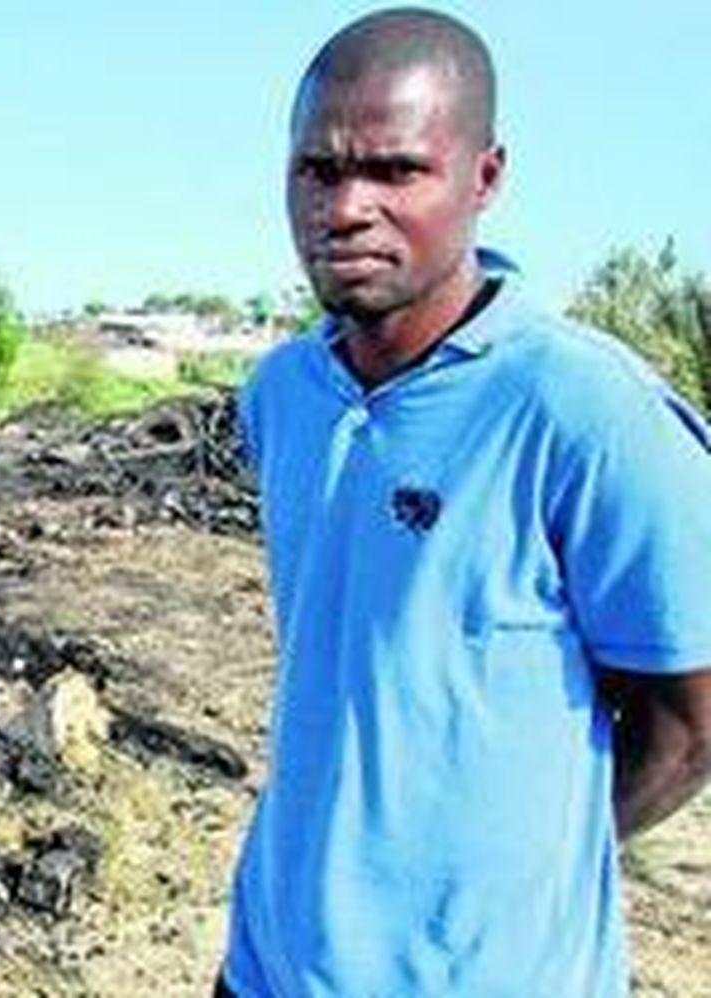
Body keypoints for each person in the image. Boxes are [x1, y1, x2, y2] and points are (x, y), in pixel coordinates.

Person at [217, 8, 711, 996]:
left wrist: (506, 878)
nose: (345, 207)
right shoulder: (283, 395)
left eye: (396, 171)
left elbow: (691, 721)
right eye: (317, 170)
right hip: (271, 964)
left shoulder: (584, 409)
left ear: (483, 178)